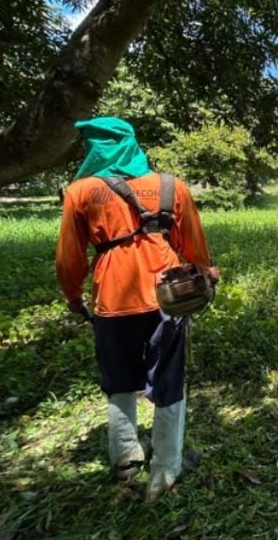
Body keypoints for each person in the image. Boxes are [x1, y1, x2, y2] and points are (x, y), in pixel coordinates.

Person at [56, 117, 218, 502]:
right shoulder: (169, 186)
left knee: (119, 381)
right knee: (170, 381)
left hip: (111, 301)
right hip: (169, 299)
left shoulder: (80, 192)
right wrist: (205, 276)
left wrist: (73, 297)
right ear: (132, 144)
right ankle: (165, 470)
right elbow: (194, 246)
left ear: (94, 149)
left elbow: (68, 259)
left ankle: (126, 461)